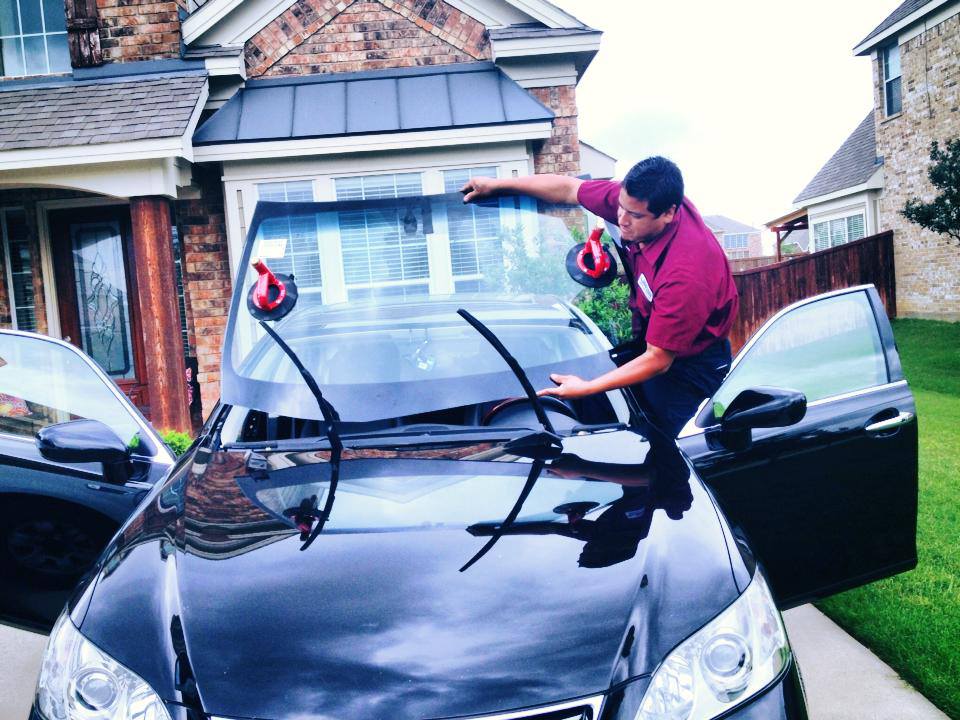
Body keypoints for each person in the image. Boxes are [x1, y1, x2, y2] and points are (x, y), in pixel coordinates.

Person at [461, 156, 738, 437]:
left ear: (668, 213)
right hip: (651, 343)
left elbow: (658, 359)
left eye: (635, 216)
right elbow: (569, 189)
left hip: (689, 367)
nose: (622, 220)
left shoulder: (687, 273)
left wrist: (587, 386)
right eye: (621, 207)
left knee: (658, 445)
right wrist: (498, 185)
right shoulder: (632, 201)